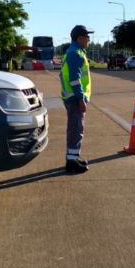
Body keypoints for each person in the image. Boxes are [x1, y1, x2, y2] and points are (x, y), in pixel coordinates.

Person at [60, 25, 93, 173]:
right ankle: (71, 162)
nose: (89, 40)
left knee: (76, 128)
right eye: (87, 37)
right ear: (80, 38)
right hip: (75, 98)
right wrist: (81, 99)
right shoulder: (75, 54)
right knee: (76, 129)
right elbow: (74, 79)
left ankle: (73, 157)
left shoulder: (75, 52)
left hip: (73, 97)